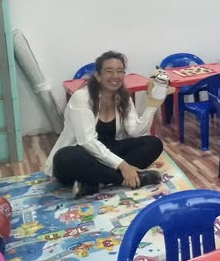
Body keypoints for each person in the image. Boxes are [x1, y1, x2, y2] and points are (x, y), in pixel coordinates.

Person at [44, 51, 173, 198]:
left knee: (154, 143)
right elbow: (87, 141)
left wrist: (152, 105)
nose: (115, 76)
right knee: (64, 157)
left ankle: (94, 182)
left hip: (108, 152)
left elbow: (135, 132)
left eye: (120, 71)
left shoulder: (123, 97)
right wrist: (123, 166)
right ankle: (126, 179)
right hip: (82, 154)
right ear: (98, 75)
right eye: (109, 71)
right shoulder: (82, 98)